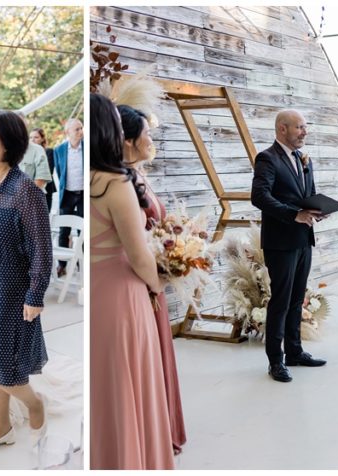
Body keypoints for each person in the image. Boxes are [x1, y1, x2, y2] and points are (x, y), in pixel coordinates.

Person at [89, 93, 174, 469]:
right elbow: (138, 256)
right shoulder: (114, 183)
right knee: (127, 380)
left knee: (103, 382)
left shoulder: (88, 177)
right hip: (123, 293)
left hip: (95, 289)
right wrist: (158, 285)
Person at [0, 110, 52, 452]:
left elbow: (42, 251)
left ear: (8, 143)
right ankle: (2, 427)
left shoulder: (25, 191)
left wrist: (35, 295)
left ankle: (35, 406)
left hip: (14, 289)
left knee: (4, 365)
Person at [117, 104, 186, 454]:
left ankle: (161, 427)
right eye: (146, 132)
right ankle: (151, 431)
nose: (151, 138)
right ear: (128, 140)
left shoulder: (136, 174)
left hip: (151, 272)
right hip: (138, 277)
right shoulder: (120, 182)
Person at [250, 109, 328, 383]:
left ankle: (295, 351)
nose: (304, 132)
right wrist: (293, 214)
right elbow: (259, 196)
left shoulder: (303, 158)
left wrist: (320, 209)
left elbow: (307, 196)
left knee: (297, 300)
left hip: (303, 238)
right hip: (280, 242)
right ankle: (276, 361)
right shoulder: (267, 158)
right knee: (281, 301)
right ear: (282, 129)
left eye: (305, 127)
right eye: (299, 127)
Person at [53, 118, 84, 275]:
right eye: (77, 129)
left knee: (83, 231)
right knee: (64, 231)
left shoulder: (87, 147)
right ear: (68, 132)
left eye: (81, 128)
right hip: (68, 194)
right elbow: (59, 172)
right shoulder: (59, 150)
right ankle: (62, 266)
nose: (80, 132)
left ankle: (83, 265)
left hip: (84, 195)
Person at [30, 128, 57, 211]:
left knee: (44, 215)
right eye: (31, 137)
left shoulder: (49, 151)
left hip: (46, 189)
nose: (32, 140)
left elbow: (48, 171)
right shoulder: (27, 153)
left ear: (42, 139)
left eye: (36, 137)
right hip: (30, 189)